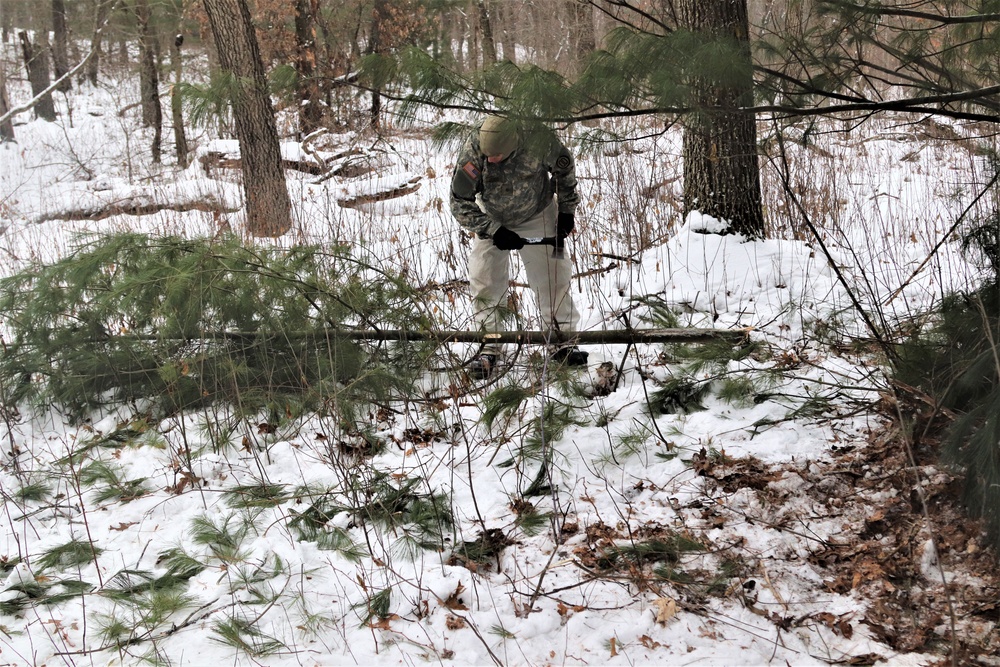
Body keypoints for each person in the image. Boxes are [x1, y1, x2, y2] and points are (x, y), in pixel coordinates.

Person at [450, 115, 588, 379]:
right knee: (485, 279)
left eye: (496, 156)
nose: (490, 160)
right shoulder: (475, 149)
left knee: (553, 277)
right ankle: (490, 346)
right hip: (492, 215)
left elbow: (564, 169)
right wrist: (493, 230)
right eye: (487, 156)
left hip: (537, 211)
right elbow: (459, 202)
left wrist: (567, 211)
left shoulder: (538, 139)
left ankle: (562, 343)